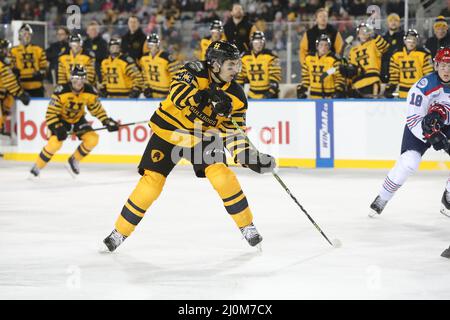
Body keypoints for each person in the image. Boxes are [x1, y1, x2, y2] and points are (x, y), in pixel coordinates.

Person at [102, 41, 276, 252]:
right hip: (170, 130)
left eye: (237, 64)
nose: (236, 70)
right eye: (231, 65)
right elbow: (177, 95)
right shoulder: (194, 70)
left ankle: (247, 226)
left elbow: (234, 132)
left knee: (222, 176)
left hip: (201, 137)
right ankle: (119, 232)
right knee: (151, 183)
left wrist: (250, 157)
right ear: (215, 64)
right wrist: (206, 95)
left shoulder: (237, 97)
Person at [369, 47, 450, 219]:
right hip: (420, 125)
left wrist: (442, 130)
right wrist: (433, 136)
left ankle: (448, 197)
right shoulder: (423, 86)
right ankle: (383, 197)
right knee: (409, 162)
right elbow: (413, 119)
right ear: (436, 65)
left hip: (446, 125)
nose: (446, 70)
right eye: (443, 65)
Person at [29, 65, 119, 177]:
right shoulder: (61, 91)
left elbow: (96, 108)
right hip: (61, 120)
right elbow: (51, 113)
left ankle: (74, 160)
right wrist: (57, 127)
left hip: (78, 120)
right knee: (54, 144)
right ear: (71, 78)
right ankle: (37, 166)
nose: (79, 82)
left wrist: (106, 121)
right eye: (76, 78)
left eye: (82, 78)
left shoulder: (90, 91)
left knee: (92, 139)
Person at [386, 29, 433, 98]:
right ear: (404, 41)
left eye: (414, 40)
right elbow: (394, 74)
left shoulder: (424, 54)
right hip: (402, 91)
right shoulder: (396, 54)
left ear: (417, 41)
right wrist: (391, 88)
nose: (412, 42)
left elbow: (428, 74)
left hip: (419, 90)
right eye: (409, 40)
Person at [347, 23, 389, 97]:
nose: (363, 33)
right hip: (357, 84)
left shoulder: (374, 43)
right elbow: (351, 69)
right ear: (358, 35)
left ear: (369, 33)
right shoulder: (352, 50)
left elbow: (385, 47)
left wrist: (375, 35)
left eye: (365, 31)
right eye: (361, 31)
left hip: (372, 80)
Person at [297, 34, 345, 99]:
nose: (324, 47)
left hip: (329, 98)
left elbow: (339, 77)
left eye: (326, 45)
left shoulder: (334, 59)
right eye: (321, 44)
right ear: (317, 46)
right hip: (313, 97)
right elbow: (305, 77)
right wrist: (302, 90)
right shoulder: (309, 58)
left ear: (329, 47)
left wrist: (338, 90)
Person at [237, 31, 282, 99]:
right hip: (251, 94)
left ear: (264, 43)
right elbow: (240, 77)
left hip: (268, 94)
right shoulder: (244, 57)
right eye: (256, 42)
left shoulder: (271, 56)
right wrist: (239, 92)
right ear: (251, 43)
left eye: (261, 42)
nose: (259, 45)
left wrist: (271, 92)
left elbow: (275, 76)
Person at [0, 38, 30, 134]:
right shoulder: (2, 65)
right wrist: (20, 93)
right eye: (5, 49)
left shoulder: (5, 64)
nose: (7, 52)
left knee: (4, 114)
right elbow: (8, 81)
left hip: (3, 96)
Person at [10, 24, 48, 97]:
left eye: (29, 34)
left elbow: (44, 67)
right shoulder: (13, 51)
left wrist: (41, 73)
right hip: (20, 87)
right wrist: (14, 72)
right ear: (20, 36)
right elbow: (9, 68)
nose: (27, 36)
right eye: (25, 34)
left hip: (36, 86)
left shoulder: (39, 49)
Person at [139, 33, 181, 99]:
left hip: (166, 93)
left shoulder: (167, 58)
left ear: (158, 44)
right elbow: (144, 75)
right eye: (151, 44)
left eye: (155, 44)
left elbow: (176, 75)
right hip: (152, 92)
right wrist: (145, 88)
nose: (153, 46)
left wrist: (174, 90)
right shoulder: (144, 58)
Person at [381, 13, 404, 84]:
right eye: (391, 21)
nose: (393, 23)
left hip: (400, 70)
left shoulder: (403, 37)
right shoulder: (383, 38)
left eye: (396, 20)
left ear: (399, 23)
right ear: (387, 23)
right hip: (385, 71)